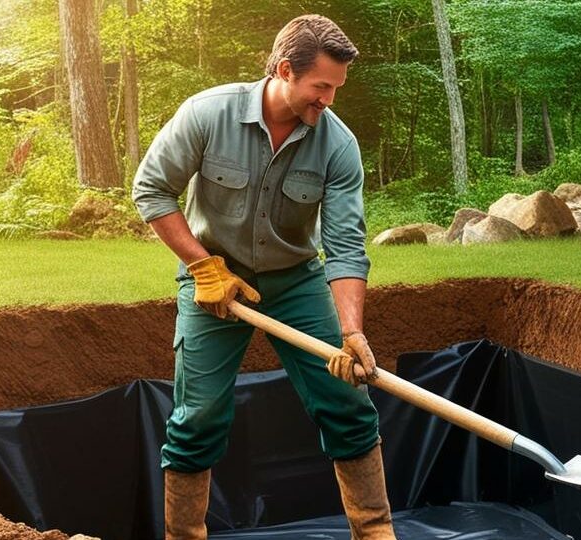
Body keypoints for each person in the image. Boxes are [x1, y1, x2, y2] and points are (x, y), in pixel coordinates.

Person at [131, 14, 394, 540]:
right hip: (214, 280)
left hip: (295, 280)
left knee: (347, 403)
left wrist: (351, 330)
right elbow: (151, 189)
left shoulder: (338, 146)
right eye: (322, 87)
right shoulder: (208, 114)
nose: (329, 101)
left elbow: (343, 244)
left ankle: (376, 532)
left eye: (337, 89)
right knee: (198, 416)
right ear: (283, 70)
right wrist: (203, 266)